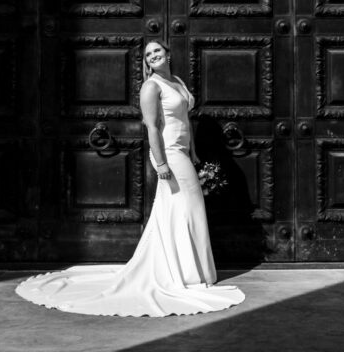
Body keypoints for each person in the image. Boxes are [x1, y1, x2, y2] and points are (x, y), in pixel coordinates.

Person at [15, 39, 245, 317]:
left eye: (157, 51)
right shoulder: (151, 87)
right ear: (147, 62)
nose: (154, 56)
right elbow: (152, 127)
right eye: (149, 55)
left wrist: (194, 151)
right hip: (169, 153)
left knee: (186, 210)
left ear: (168, 53)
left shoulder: (177, 81)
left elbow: (184, 121)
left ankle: (191, 271)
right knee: (183, 209)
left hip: (183, 151)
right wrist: (160, 162)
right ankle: (183, 275)